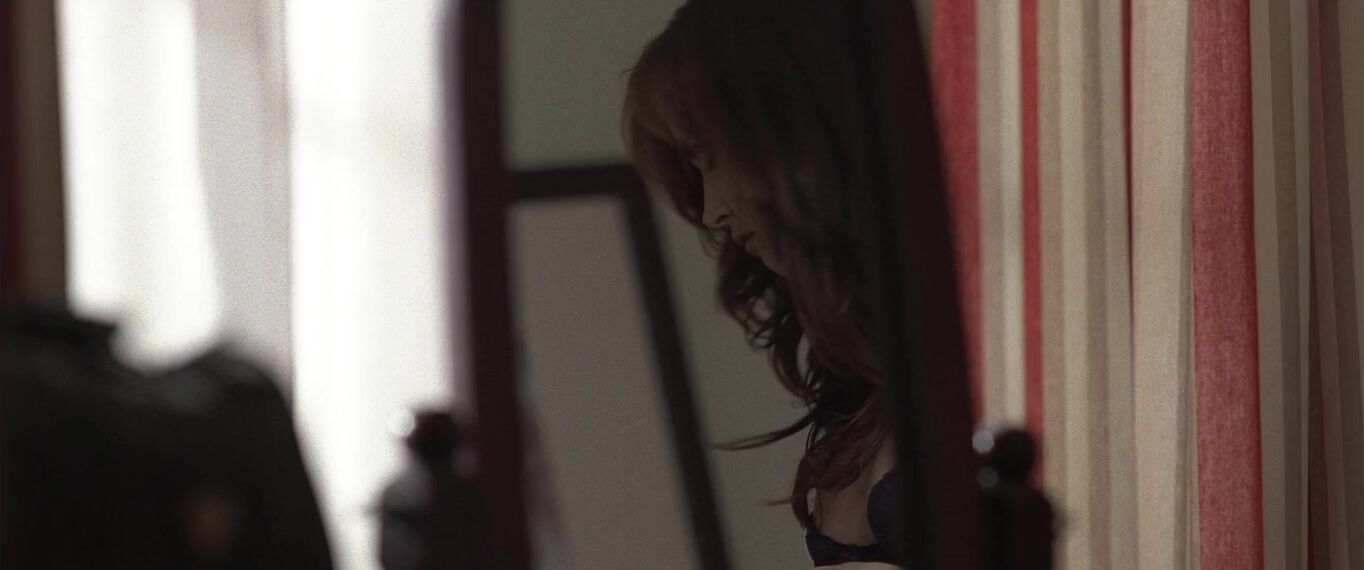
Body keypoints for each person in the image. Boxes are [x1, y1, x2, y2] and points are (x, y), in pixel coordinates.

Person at [624, 0, 911, 567]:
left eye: (710, 160)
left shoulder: (980, 319)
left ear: (789, 132)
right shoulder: (857, 374)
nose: (712, 211)